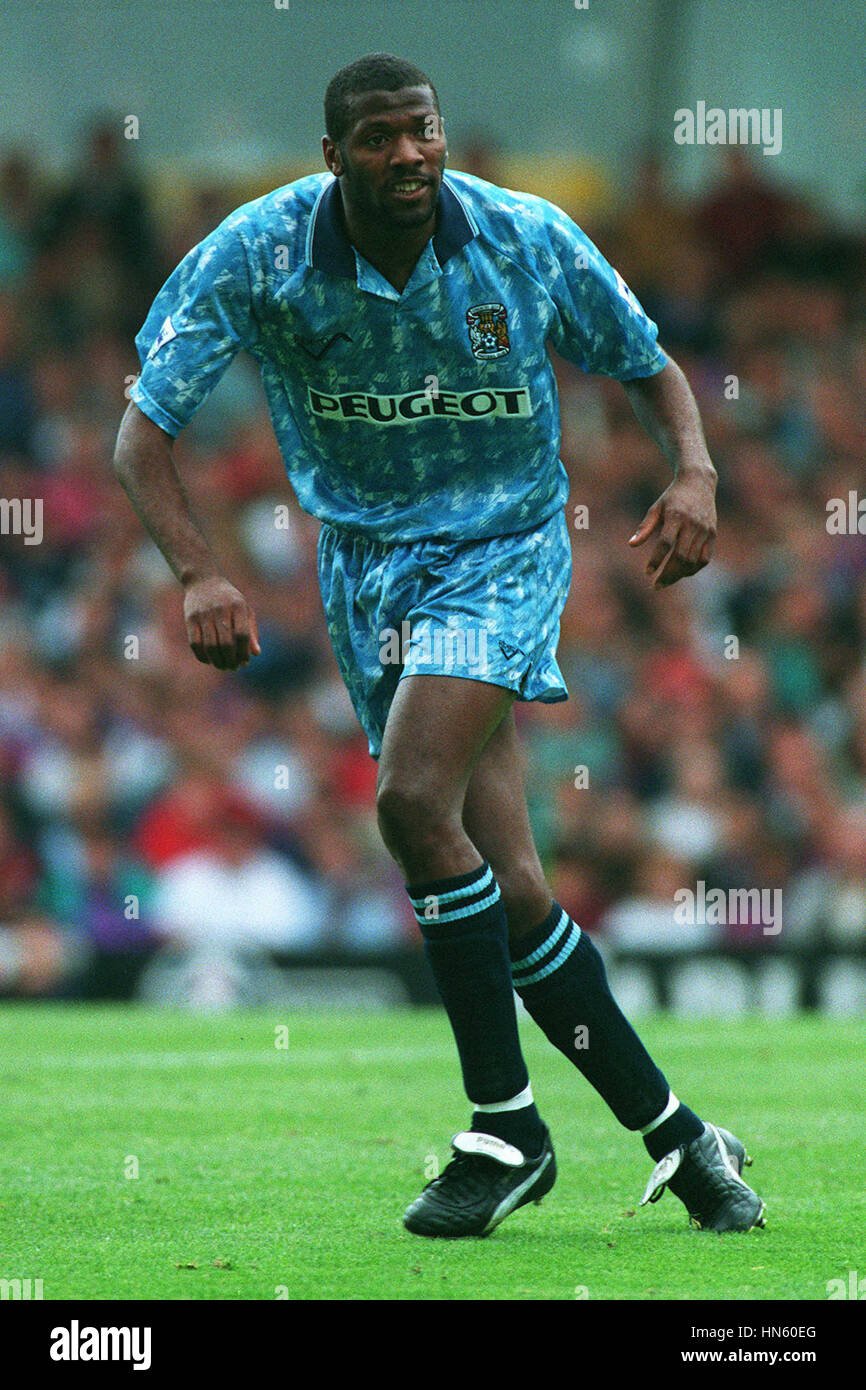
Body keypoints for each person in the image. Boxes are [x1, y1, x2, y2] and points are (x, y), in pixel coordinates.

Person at [113, 52, 765, 1237]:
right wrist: (200, 567)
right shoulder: (257, 250)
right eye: (376, 137)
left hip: (504, 549)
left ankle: (502, 1127)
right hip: (364, 569)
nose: (406, 153)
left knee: (413, 802)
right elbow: (140, 433)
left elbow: (648, 365)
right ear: (332, 157)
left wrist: (695, 470)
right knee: (507, 887)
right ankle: (681, 1137)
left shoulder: (523, 237)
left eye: (420, 129)